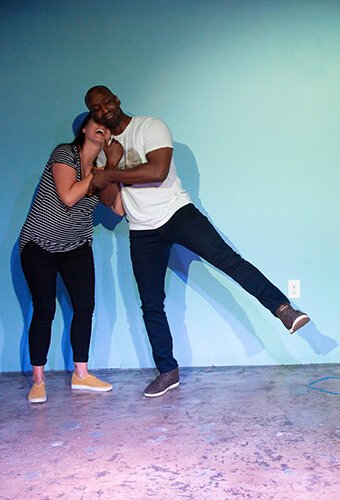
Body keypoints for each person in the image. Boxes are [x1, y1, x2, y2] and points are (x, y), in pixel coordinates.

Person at [84, 85, 310, 398]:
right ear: (93, 116)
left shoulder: (150, 126)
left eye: (106, 101)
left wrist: (110, 175)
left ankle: (283, 309)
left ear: (117, 100)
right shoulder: (106, 151)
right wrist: (109, 166)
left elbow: (158, 170)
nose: (103, 109)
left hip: (178, 213)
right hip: (142, 230)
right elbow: (113, 205)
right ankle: (167, 371)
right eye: (95, 107)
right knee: (151, 304)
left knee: (229, 261)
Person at [19, 112, 125, 403]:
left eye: (107, 126)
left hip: (76, 245)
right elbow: (67, 196)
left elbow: (117, 210)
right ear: (85, 128)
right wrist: (102, 172)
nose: (102, 128)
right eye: (96, 123)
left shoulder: (103, 168)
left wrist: (112, 167)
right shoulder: (65, 153)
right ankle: (38, 380)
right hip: (39, 243)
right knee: (44, 311)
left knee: (84, 307)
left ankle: (81, 374)